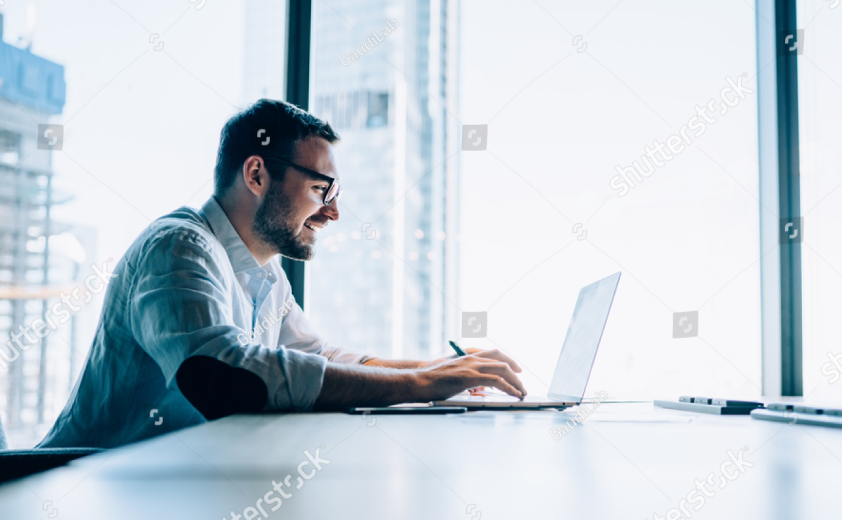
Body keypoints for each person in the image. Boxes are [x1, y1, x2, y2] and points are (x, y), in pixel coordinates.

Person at [39, 99, 525, 448]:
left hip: (161, 492)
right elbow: (223, 375)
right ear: (256, 175)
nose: (332, 213)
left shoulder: (264, 272)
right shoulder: (178, 247)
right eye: (321, 190)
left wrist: (436, 370)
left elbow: (319, 356)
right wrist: (420, 386)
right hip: (84, 490)